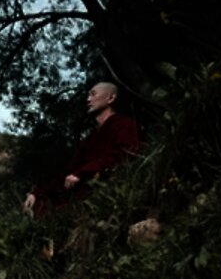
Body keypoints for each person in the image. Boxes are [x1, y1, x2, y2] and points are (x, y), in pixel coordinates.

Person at [23, 82, 141, 218]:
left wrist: (83, 173)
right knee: (39, 203)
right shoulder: (90, 139)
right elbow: (69, 171)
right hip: (81, 190)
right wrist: (37, 193)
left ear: (111, 98)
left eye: (93, 94)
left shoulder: (124, 124)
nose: (88, 99)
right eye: (88, 95)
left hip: (108, 190)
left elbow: (124, 154)